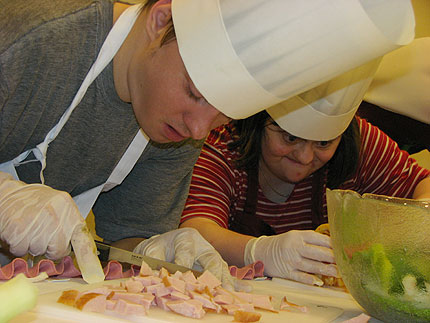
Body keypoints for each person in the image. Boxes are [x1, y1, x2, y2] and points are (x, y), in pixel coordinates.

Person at [0, 0, 416, 285]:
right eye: (195, 93)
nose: (200, 129)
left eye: (223, 112)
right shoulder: (32, 42)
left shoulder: (178, 127)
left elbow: (124, 239)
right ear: (161, 20)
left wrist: (154, 246)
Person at [180, 63, 430, 287]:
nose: (305, 158)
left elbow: (423, 184)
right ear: (259, 122)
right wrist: (258, 251)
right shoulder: (223, 145)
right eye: (290, 138)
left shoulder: (361, 142)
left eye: (323, 143)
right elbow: (195, 228)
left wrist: (415, 222)